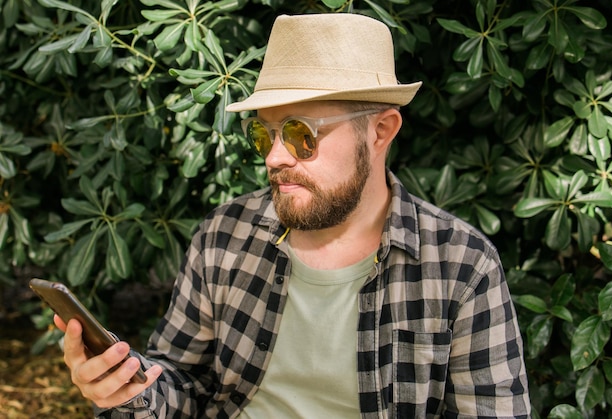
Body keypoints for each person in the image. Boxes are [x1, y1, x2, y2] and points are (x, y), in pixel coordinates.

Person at [54, 13, 532, 418]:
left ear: (381, 130)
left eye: (301, 134)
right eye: (265, 135)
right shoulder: (224, 236)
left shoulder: (462, 267)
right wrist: (130, 390)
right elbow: (182, 384)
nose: (275, 157)